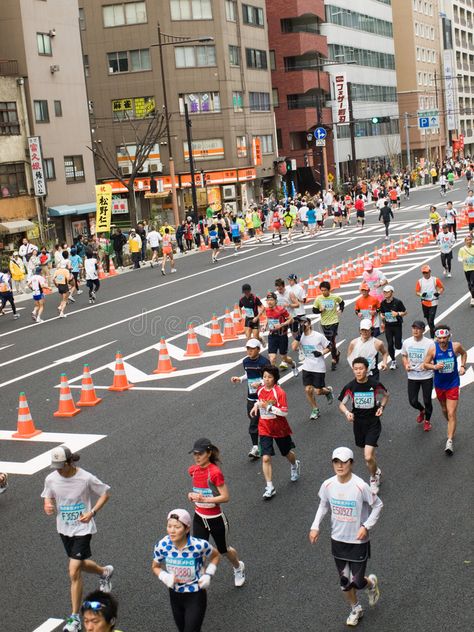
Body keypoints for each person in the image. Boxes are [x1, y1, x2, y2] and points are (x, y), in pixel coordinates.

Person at [309, 446, 382, 628]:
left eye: (344, 462)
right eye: (336, 462)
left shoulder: (361, 486)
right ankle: (355, 608)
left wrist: (366, 526)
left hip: (358, 542)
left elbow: (378, 505)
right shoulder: (328, 485)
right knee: (344, 581)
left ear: (351, 463)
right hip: (338, 540)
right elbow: (323, 505)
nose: (340, 466)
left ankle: (370, 583)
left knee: (357, 582)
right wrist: (315, 526)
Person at [41, 447, 113, 632]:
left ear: (69, 462)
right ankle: (104, 572)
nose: (57, 469)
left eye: (60, 466)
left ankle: (75, 618)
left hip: (83, 527)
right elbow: (47, 497)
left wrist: (92, 512)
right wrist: (48, 505)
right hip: (64, 529)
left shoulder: (85, 477)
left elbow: (105, 492)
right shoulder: (51, 479)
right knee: (79, 564)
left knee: (73, 571)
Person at [187, 438, 245, 587]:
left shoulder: (214, 473)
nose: (197, 457)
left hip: (216, 519)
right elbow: (197, 490)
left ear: (209, 453)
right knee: (198, 550)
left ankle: (238, 567)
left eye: (200, 454)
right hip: (199, 517)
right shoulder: (193, 470)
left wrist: (203, 499)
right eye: (195, 454)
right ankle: (197, 582)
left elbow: (225, 497)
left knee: (223, 550)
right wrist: (191, 495)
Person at [152, 508, 220, 632]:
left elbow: (215, 556)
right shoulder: (162, 545)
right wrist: (165, 577)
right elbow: (155, 567)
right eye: (169, 526)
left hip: (196, 593)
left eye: (177, 527)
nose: (172, 531)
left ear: (187, 529)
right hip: (175, 594)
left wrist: (209, 574)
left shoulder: (199, 545)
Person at [338, 357, 389, 494]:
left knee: (367, 456)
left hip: (373, 422)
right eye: (356, 369)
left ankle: (373, 478)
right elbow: (341, 404)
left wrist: (381, 407)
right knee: (368, 455)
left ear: (367, 369)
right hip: (358, 424)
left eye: (361, 369)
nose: (358, 372)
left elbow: (385, 395)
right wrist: (347, 413)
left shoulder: (374, 384)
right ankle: (376, 470)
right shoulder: (350, 387)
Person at [250, 365, 301, 499]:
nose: (266, 379)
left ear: (275, 378)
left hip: (279, 428)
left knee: (286, 453)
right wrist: (255, 406)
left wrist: (268, 406)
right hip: (264, 427)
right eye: (265, 376)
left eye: (270, 377)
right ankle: (270, 486)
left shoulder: (279, 392)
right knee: (266, 457)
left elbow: (284, 412)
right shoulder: (260, 390)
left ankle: (294, 464)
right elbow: (259, 401)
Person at [423, 325, 467, 455]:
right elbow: (424, 364)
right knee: (445, 410)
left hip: (453, 384)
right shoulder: (433, 350)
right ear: (436, 338)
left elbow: (464, 353)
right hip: (439, 384)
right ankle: (451, 424)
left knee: (452, 412)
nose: (442, 341)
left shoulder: (455, 346)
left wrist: (463, 366)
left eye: (444, 338)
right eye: (439, 338)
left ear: (449, 336)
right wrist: (434, 366)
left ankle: (449, 441)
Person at [231, 338, 269, 458]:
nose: (249, 351)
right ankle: (258, 446)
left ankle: (259, 445)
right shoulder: (245, 362)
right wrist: (240, 379)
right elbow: (249, 374)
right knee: (254, 421)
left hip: (263, 397)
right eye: (248, 348)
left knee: (260, 422)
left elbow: (272, 378)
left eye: (252, 349)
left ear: (258, 349)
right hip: (251, 397)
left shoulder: (264, 362)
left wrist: (261, 383)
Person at [291, 316, 334, 420]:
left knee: (318, 391)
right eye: (300, 323)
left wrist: (321, 353)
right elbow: (293, 348)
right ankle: (315, 409)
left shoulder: (318, 336)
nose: (302, 324)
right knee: (308, 389)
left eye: (304, 322)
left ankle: (328, 391)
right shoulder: (300, 337)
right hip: (307, 366)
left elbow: (330, 346)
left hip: (318, 366)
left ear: (309, 324)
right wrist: (299, 335)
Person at [401, 321, 435, 431]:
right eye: (414, 328)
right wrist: (406, 364)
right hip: (412, 376)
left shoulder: (430, 343)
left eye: (418, 328)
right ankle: (422, 410)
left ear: (423, 330)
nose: (415, 330)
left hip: (426, 376)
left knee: (427, 401)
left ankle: (427, 421)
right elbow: (404, 356)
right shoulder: (407, 342)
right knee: (413, 401)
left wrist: (429, 365)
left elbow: (434, 358)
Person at [264, 291, 298, 376]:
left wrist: (281, 325)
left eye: (271, 300)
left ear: (275, 301)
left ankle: (293, 364)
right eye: (268, 300)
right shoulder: (267, 309)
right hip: (272, 336)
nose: (269, 302)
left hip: (282, 336)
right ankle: (274, 378)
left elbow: (291, 319)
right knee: (272, 358)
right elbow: (268, 318)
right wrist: (264, 325)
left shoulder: (281, 310)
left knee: (284, 358)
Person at [312, 281, 344, 371]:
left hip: (334, 321)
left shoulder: (334, 297)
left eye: (325, 290)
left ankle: (333, 359)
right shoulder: (319, 299)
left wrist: (340, 310)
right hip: (324, 323)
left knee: (331, 339)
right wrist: (320, 310)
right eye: (321, 290)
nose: (323, 292)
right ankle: (336, 353)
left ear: (329, 290)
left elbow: (342, 303)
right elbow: (314, 310)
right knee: (329, 341)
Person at [379, 285, 407, 370]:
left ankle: (402, 343)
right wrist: (382, 318)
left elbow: (405, 312)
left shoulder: (398, 302)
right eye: (384, 292)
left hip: (397, 325)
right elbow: (382, 313)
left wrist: (398, 314)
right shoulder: (383, 303)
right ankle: (393, 361)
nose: (386, 293)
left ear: (392, 292)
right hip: (388, 326)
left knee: (398, 346)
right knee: (390, 344)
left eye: (387, 291)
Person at [415, 265, 444, 338]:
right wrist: (421, 294)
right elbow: (417, 292)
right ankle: (433, 331)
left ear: (430, 271)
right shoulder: (420, 281)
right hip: (424, 302)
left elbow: (442, 288)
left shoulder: (435, 279)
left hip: (433, 302)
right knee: (428, 320)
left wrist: (438, 293)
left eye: (426, 272)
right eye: (424, 273)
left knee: (431, 320)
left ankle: (432, 337)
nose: (425, 274)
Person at [457, 233, 474, 306]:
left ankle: (473, 298)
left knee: (473, 283)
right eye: (467, 240)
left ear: (472, 240)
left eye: (470, 239)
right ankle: (472, 294)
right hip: (466, 269)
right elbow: (459, 258)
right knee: (469, 284)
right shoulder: (462, 249)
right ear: (465, 241)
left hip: (473, 268)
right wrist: (463, 259)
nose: (469, 241)